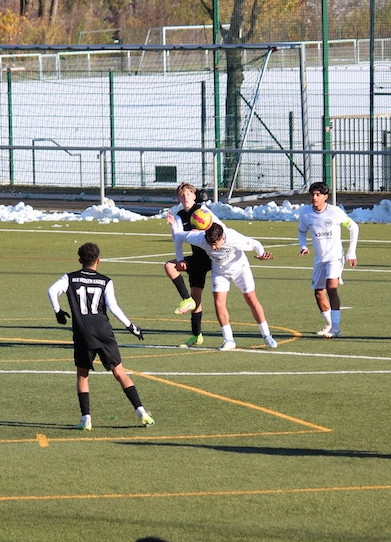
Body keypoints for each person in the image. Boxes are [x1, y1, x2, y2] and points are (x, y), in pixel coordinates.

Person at [47, 242, 155, 430]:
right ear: (98, 260)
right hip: (103, 331)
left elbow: (51, 291)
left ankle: (86, 419)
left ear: (80, 260)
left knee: (83, 375)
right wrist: (131, 327)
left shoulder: (69, 278)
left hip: (83, 333)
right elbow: (113, 307)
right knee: (120, 373)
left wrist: (58, 311)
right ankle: (142, 413)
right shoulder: (105, 281)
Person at [168, 214, 277, 351]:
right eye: (210, 244)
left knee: (251, 299)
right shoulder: (201, 238)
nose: (213, 248)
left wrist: (261, 254)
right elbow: (179, 236)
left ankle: (266, 335)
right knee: (219, 303)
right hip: (220, 272)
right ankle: (229, 340)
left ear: (223, 238)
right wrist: (179, 259)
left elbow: (255, 244)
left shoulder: (234, 238)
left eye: (216, 244)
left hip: (240, 270)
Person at [297, 182, 359, 338]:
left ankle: (336, 328)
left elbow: (353, 227)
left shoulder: (335, 212)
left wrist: (351, 252)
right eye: (312, 194)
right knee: (319, 293)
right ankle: (330, 324)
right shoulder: (306, 213)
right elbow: (302, 232)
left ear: (325, 197)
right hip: (320, 259)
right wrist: (303, 246)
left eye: (318, 195)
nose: (314, 197)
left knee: (332, 287)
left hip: (335, 257)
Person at [164, 183, 214, 347]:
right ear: (178, 199)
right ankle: (196, 336)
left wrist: (201, 232)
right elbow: (177, 238)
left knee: (221, 298)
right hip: (198, 259)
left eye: (188, 193)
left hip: (214, 256)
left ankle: (187, 300)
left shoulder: (202, 211)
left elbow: (216, 228)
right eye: (182, 195)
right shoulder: (179, 215)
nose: (185, 197)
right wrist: (173, 226)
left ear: (194, 195)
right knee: (196, 300)